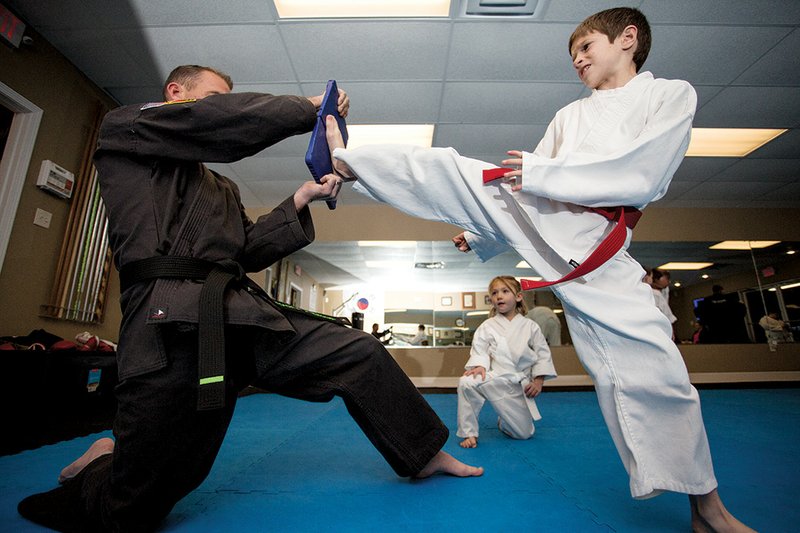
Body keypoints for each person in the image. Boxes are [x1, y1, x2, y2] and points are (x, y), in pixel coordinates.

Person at [325, 7, 754, 531]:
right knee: (466, 173)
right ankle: (350, 163)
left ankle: (707, 509)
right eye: (572, 53)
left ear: (628, 38)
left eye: (585, 47)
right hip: (551, 220)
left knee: (661, 376)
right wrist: (483, 230)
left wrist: (542, 174)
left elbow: (643, 171)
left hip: (599, 245)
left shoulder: (669, 94)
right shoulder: (569, 117)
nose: (577, 59)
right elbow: (527, 183)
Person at [17, 65, 482, 533]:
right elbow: (217, 122)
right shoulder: (126, 128)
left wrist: (301, 198)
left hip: (239, 312)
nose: (218, 107)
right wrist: (309, 111)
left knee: (357, 352)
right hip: (170, 319)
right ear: (175, 93)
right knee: (134, 508)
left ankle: (421, 454)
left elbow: (248, 250)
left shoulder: (221, 188)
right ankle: (105, 457)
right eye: (211, 98)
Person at [458, 276, 556, 448]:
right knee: (466, 382)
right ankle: (469, 433)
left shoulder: (530, 326)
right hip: (496, 378)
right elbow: (480, 349)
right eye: (494, 293)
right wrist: (480, 365)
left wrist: (538, 381)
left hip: (519, 384)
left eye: (505, 291)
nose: (499, 296)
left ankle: (504, 422)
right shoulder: (487, 326)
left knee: (524, 434)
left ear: (518, 297)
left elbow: (543, 354)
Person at [647, 268, 677, 338]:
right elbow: (667, 315)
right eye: (667, 279)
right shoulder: (654, 294)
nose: (668, 281)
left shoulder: (663, 291)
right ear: (656, 280)